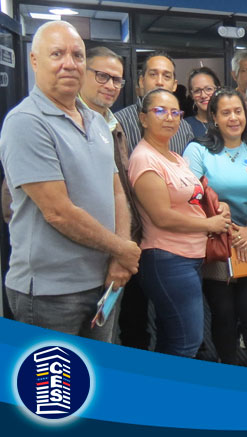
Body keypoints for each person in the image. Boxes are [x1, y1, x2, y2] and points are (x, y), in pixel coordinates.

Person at [0, 21, 139, 342]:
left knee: (95, 371)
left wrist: (119, 257)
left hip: (103, 281)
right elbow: (58, 212)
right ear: (34, 60)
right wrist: (122, 248)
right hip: (50, 294)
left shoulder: (96, 121)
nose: (69, 63)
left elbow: (117, 192)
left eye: (77, 55)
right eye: (57, 54)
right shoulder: (25, 122)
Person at [129, 89, 231, 357]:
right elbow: (161, 216)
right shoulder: (144, 159)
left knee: (172, 338)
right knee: (187, 342)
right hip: (167, 258)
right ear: (143, 118)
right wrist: (209, 225)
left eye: (175, 112)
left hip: (189, 257)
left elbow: (191, 199)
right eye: (160, 111)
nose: (169, 118)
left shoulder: (174, 157)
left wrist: (217, 208)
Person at [183, 88, 247, 369]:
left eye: (238, 111)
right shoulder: (197, 150)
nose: (233, 118)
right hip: (215, 241)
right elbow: (190, 197)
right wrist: (220, 218)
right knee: (223, 312)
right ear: (214, 117)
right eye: (225, 112)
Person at [78, 46, 140, 243]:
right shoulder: (65, 122)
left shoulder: (114, 125)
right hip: (79, 240)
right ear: (81, 73)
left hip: (119, 237)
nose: (111, 86)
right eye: (102, 76)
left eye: (116, 80)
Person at [186, 67, 221, 139]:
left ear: (218, 90)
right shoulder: (185, 126)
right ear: (191, 95)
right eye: (197, 91)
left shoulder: (228, 121)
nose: (203, 95)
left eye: (208, 89)